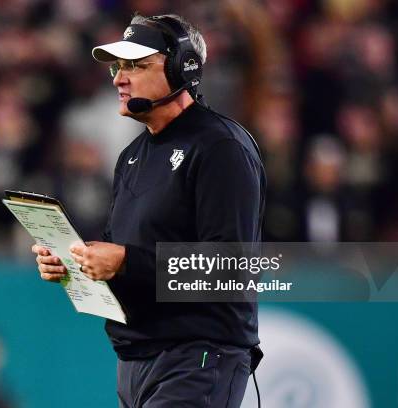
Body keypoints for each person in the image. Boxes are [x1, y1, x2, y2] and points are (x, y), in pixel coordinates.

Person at [32, 13, 266, 407]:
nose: (119, 79)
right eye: (118, 67)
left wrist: (123, 261)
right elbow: (122, 255)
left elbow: (229, 267)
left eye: (137, 66)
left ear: (182, 68)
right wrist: (75, 264)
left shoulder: (219, 147)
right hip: (137, 361)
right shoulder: (132, 156)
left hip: (198, 356)